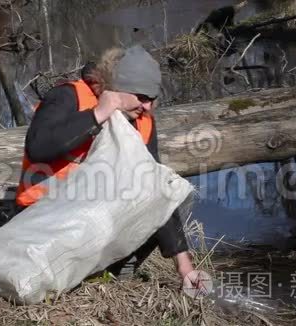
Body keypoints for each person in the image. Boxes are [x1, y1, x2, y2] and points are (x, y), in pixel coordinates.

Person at [14, 45, 196, 285]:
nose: (148, 107)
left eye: (152, 99)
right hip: (41, 220)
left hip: (90, 222)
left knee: (172, 195)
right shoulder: (68, 97)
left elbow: (156, 191)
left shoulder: (143, 122)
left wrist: (185, 267)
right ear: (116, 88)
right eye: (141, 97)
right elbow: (38, 148)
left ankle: (116, 271)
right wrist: (98, 114)